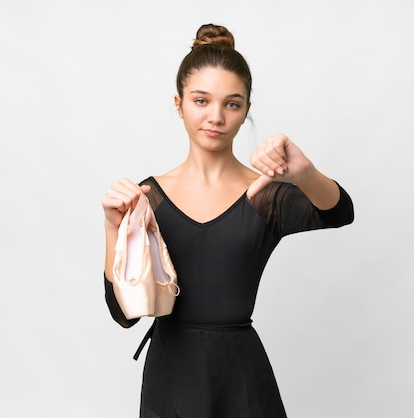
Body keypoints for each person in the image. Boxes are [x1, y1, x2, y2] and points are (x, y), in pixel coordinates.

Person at [102, 23, 354, 418]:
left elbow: (339, 212)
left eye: (231, 104)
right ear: (179, 103)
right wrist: (112, 227)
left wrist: (304, 172)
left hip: (241, 381)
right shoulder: (148, 199)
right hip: (171, 381)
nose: (215, 116)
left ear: (246, 112)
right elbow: (124, 314)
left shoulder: (264, 194)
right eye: (201, 100)